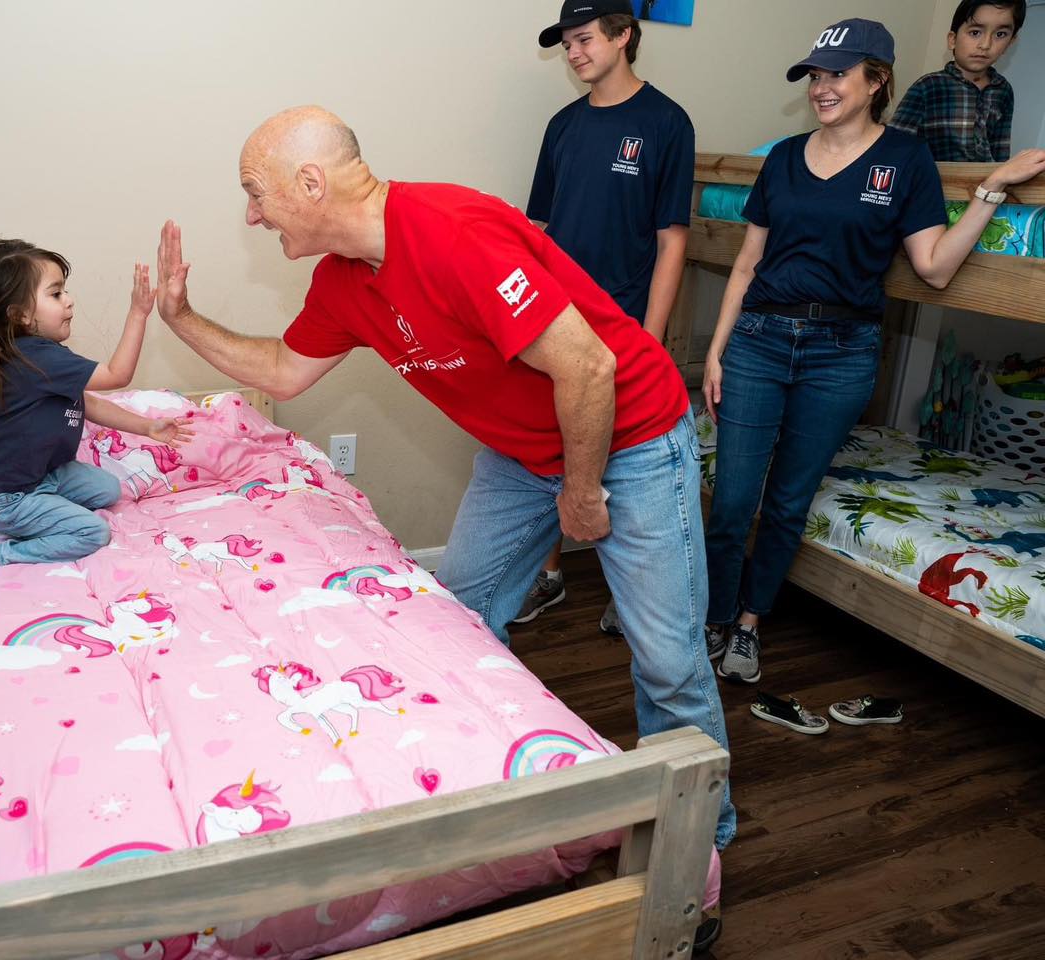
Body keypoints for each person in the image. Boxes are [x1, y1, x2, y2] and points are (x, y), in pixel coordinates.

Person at [151, 107, 736, 861]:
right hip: (522, 454)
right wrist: (180, 317)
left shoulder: (454, 232)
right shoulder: (342, 282)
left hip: (630, 436)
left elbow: (589, 366)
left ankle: (698, 846)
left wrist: (583, 494)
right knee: (450, 620)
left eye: (256, 193)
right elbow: (280, 373)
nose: (253, 215)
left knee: (667, 661)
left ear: (310, 181)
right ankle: (458, 787)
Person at [702, 19, 1045, 684]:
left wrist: (990, 189)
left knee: (787, 502)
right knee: (734, 499)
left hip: (842, 352)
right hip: (760, 342)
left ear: (876, 79)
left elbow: (935, 267)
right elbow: (745, 266)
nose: (822, 89)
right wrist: (716, 352)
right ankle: (715, 616)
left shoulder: (906, 162)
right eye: (815, 77)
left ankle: (748, 625)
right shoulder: (782, 160)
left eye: (837, 75)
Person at [516, 0, 695, 629]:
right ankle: (549, 574)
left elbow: (672, 239)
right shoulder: (563, 125)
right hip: (552, 318)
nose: (574, 51)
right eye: (566, 42)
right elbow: (535, 228)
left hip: (620, 320)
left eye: (584, 38)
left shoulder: (667, 123)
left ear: (623, 36)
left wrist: (650, 337)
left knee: (627, 457)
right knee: (551, 446)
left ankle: (633, 592)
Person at [0, 237, 192, 574]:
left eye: (64, 291)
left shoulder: (40, 357)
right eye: (56, 294)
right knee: (92, 531)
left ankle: (21, 520)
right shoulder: (36, 359)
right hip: (8, 496)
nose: (69, 301)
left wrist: (147, 426)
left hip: (45, 475)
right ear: (21, 315)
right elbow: (118, 375)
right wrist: (138, 313)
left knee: (108, 489)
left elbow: (85, 403)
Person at [890, 0, 1024, 162]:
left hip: (985, 183)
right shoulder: (928, 86)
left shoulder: (1004, 91)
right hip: (933, 183)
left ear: (1010, 43)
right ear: (952, 39)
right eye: (975, 32)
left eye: (1000, 34)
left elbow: (1000, 151)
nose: (985, 45)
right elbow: (894, 145)